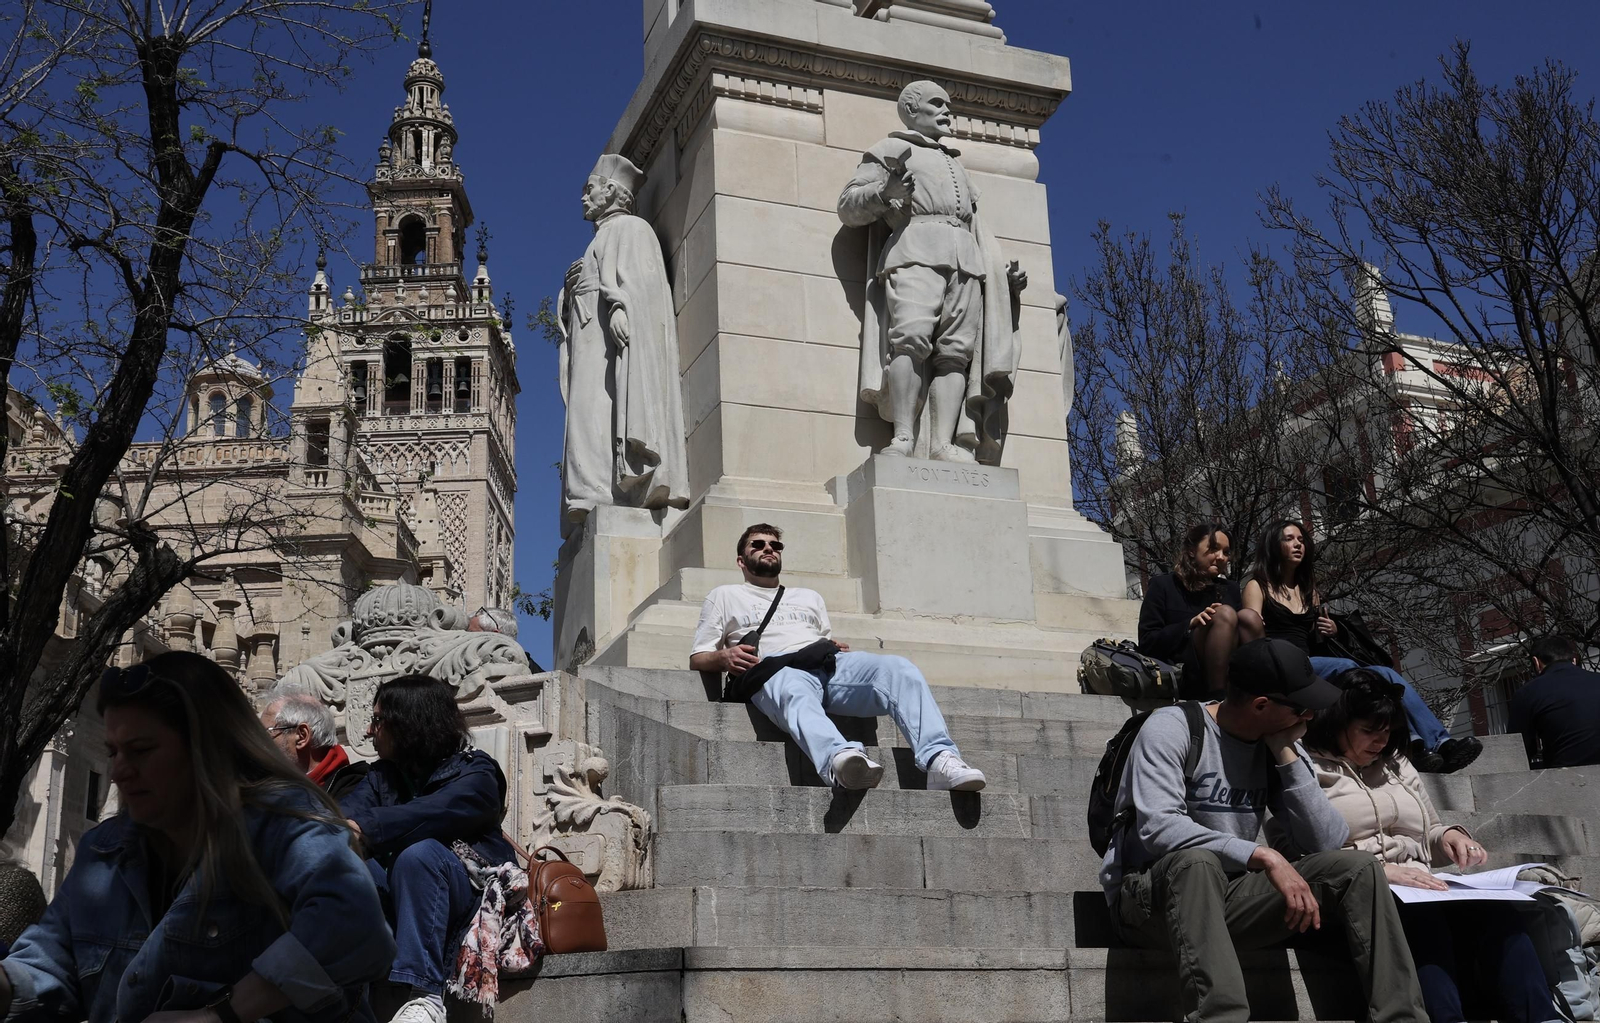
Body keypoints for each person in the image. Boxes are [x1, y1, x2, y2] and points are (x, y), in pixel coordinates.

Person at [0, 651, 393, 1023]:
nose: (119, 771)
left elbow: (355, 924)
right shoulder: (103, 851)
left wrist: (223, 1014)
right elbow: (46, 967)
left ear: (207, 748)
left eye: (140, 750)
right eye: (113, 752)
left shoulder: (284, 823)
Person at [1101, 637, 1429, 1023]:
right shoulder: (1173, 727)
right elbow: (1159, 827)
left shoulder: (1279, 740)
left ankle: (1401, 1017)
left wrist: (1287, 758)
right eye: (1302, 709)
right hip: (1148, 904)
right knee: (1195, 862)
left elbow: (1327, 842)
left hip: (1229, 897)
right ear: (1261, 705)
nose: (1310, 718)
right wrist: (1263, 854)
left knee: (1358, 869)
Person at [1280, 668, 1562, 1023]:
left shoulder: (1395, 764)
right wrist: (1382, 870)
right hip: (1356, 890)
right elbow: (1301, 850)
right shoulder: (1305, 766)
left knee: (1498, 914)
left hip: (1420, 885)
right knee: (1422, 920)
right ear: (1335, 722)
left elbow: (1428, 832)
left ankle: (1540, 1018)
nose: (1380, 742)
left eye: (1387, 732)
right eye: (1368, 731)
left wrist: (1451, 838)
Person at [689, 523, 987, 791]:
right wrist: (725, 657)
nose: (768, 548)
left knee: (898, 668)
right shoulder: (724, 595)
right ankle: (841, 759)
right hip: (772, 671)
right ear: (741, 560)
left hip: (827, 665)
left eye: (775, 545)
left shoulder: (809, 597)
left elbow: (816, 636)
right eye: (758, 544)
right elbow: (698, 657)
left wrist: (825, 645)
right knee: (792, 687)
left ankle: (939, 759)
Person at [837, 79, 1027, 464]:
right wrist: (885, 192)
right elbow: (848, 206)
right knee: (909, 339)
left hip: (967, 262)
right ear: (911, 110)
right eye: (937, 104)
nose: (947, 111)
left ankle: (941, 443)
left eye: (948, 105)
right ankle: (904, 436)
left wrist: (1000, 271)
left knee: (956, 354)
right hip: (915, 250)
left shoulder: (954, 161)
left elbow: (976, 225)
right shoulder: (890, 148)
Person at [339, 674, 516, 1023]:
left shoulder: (477, 773)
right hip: (398, 899)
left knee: (418, 855)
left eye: (377, 720)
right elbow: (341, 817)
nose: (368, 732)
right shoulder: (381, 776)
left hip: (464, 893)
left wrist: (367, 827)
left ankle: (426, 998)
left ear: (408, 724)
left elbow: (432, 813)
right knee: (340, 857)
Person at [1239, 519, 1479, 773]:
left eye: (1301, 540)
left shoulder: (1309, 590)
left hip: (1314, 665)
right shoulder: (1258, 586)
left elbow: (1315, 638)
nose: (1298, 545)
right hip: (1284, 665)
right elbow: (1251, 630)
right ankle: (1412, 743)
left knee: (1385, 674)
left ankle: (1440, 743)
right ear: (1273, 546)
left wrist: (1333, 630)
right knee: (1351, 667)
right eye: (1289, 539)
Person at [1138, 522, 1242, 698]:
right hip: (1187, 676)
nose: (1221, 557)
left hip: (1232, 673)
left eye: (1226, 552)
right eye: (1214, 548)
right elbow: (1147, 642)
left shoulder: (1231, 589)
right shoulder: (1164, 585)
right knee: (1224, 614)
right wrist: (1189, 625)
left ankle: (1259, 694)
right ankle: (1218, 700)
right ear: (1192, 550)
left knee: (1249, 617)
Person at [261, 684, 372, 800]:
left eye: (266, 733)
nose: (259, 742)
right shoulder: (265, 785)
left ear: (302, 736)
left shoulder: (356, 792)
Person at [1509, 634, 1600, 769]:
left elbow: (1518, 752)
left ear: (1536, 662)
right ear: (1574, 660)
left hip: (1566, 778)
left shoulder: (1528, 693)